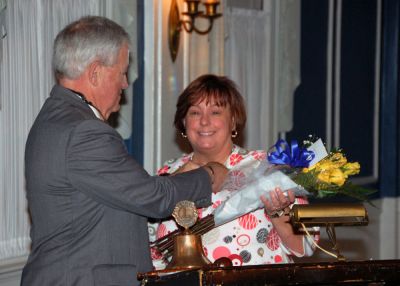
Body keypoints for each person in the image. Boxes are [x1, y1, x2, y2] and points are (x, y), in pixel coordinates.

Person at [21, 17, 227, 286]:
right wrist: (209, 174)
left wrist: (174, 179)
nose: (125, 83)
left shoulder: (54, 119)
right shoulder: (84, 131)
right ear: (95, 72)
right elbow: (152, 197)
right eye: (122, 72)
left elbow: (122, 191)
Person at [149, 74, 319, 268]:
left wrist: (278, 215)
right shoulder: (169, 173)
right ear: (183, 123)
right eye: (195, 113)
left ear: (233, 121)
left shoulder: (266, 166)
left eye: (215, 112)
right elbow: (150, 249)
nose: (204, 121)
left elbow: (307, 245)